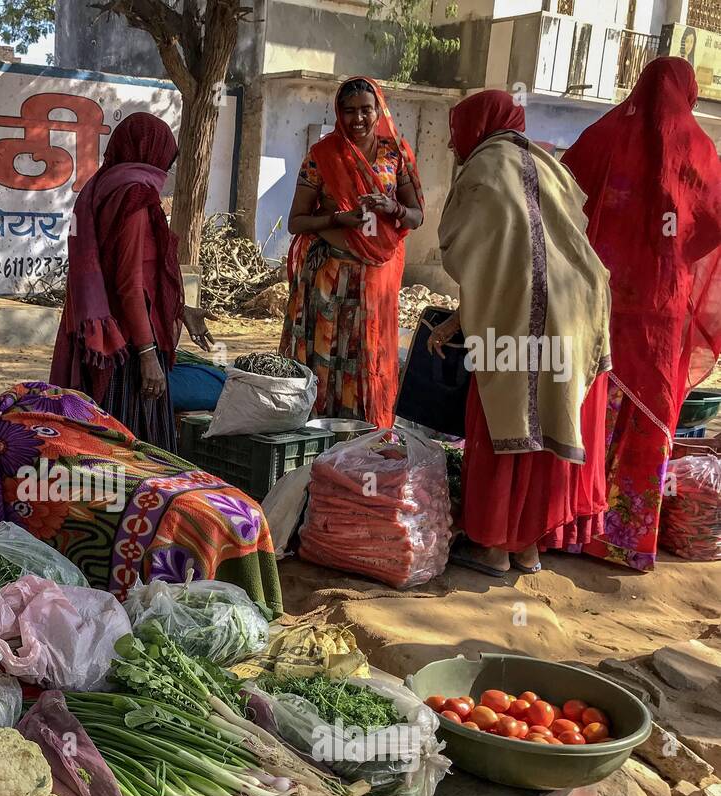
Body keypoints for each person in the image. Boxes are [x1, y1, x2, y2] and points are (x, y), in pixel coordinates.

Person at [430, 90, 612, 576]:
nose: (452, 145)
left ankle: (492, 547)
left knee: (500, 422)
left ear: (479, 125)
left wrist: (465, 318)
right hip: (576, 313)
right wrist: (459, 318)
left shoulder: (487, 169)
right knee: (546, 424)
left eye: (455, 133)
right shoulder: (546, 164)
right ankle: (527, 547)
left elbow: (480, 260)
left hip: (517, 322)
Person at [562, 58, 721, 571]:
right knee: (648, 422)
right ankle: (625, 540)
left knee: (591, 411)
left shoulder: (602, 135)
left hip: (599, 301)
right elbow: (714, 222)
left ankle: (572, 528)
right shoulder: (698, 149)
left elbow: (565, 204)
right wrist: (670, 254)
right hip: (659, 312)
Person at [0, 381, 283, 612]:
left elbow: (115, 440)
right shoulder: (12, 441)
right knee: (171, 507)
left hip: (103, 463)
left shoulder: (34, 419)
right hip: (73, 462)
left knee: (164, 497)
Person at [51, 112, 216, 451]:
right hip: (128, 351)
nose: (164, 173)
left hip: (107, 342)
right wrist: (147, 355)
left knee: (104, 451)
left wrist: (181, 310)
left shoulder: (101, 188)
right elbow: (128, 282)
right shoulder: (135, 197)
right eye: (165, 164)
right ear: (150, 153)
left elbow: (123, 276)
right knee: (136, 454)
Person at [279, 77, 424, 428]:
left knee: (366, 360)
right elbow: (296, 222)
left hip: (375, 282)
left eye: (365, 110)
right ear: (338, 114)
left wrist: (393, 208)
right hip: (328, 282)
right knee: (325, 360)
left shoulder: (397, 154)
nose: (357, 119)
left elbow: (417, 215)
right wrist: (338, 218)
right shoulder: (322, 157)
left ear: (379, 111)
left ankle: (361, 446)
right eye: (349, 111)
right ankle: (316, 440)